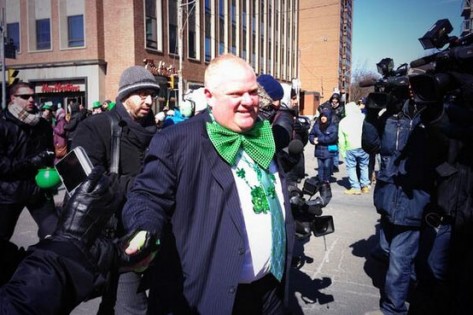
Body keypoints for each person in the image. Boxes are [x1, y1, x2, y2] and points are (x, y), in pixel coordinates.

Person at [121, 54, 295, 314]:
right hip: (212, 297)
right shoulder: (177, 140)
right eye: (236, 93)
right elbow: (147, 196)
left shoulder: (263, 134)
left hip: (271, 292)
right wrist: (144, 230)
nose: (248, 102)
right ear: (209, 96)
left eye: (252, 92)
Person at [72, 65, 160, 314]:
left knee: (114, 301)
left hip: (149, 228)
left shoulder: (156, 133)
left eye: (152, 95)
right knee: (133, 306)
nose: (149, 100)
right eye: (142, 94)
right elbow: (86, 180)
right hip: (116, 236)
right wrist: (141, 186)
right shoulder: (96, 126)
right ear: (124, 95)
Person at [0, 167, 122, 314]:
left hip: (35, 191)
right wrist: (70, 240)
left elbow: (14, 266)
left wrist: (109, 255)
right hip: (11, 192)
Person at [362, 90, 441, 314]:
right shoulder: (392, 118)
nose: (412, 91)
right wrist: (371, 115)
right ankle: (410, 284)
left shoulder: (431, 118)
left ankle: (394, 308)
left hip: (413, 198)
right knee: (388, 250)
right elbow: (371, 145)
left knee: (399, 259)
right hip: (388, 197)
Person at [0, 82, 57, 242]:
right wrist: (31, 162)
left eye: (33, 96)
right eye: (25, 96)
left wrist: (52, 172)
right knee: (2, 239)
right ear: (13, 98)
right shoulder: (3, 124)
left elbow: (49, 153)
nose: (31, 99)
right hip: (9, 193)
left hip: (39, 190)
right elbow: (2, 165)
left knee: (53, 234)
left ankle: (44, 264)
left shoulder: (42, 124)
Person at [338, 101, 370, 195]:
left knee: (351, 167)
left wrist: (343, 151)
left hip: (350, 147)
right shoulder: (363, 117)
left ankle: (355, 187)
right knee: (364, 166)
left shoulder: (343, 121)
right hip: (363, 146)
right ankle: (365, 186)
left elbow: (341, 139)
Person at [309, 107, 338, 183]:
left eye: (325, 116)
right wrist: (312, 140)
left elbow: (332, 138)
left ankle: (326, 180)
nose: (323, 118)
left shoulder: (333, 127)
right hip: (319, 150)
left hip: (328, 150)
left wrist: (318, 139)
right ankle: (321, 181)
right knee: (320, 167)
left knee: (327, 166)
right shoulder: (317, 126)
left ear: (328, 117)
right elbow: (311, 134)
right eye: (322, 116)